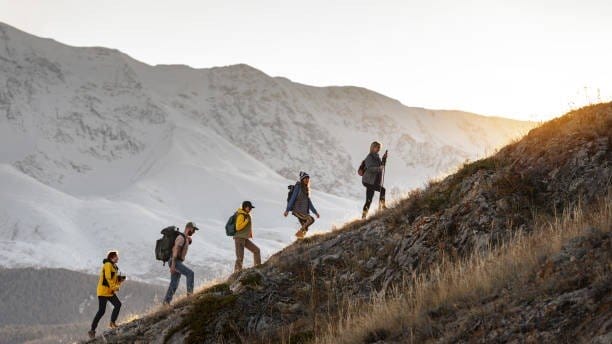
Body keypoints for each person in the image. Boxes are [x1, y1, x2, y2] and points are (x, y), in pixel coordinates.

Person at [88, 250, 124, 339]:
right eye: (116, 256)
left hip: (109, 292)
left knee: (118, 305)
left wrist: (119, 280)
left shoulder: (114, 266)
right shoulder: (108, 265)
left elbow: (113, 280)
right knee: (101, 311)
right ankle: (92, 330)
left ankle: (112, 323)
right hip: (103, 292)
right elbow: (108, 279)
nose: (118, 258)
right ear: (112, 257)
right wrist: (115, 287)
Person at [163, 222, 198, 305]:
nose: (194, 232)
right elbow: (175, 250)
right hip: (174, 261)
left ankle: (165, 304)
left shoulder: (185, 238)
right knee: (190, 273)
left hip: (176, 262)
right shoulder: (181, 238)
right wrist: (173, 266)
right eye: (193, 230)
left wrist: (188, 240)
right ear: (189, 228)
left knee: (174, 284)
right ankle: (190, 297)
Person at [284, 171, 320, 238]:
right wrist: (287, 210)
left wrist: (315, 212)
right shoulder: (298, 187)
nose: (307, 180)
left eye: (308, 179)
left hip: (303, 211)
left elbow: (309, 203)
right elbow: (292, 198)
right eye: (305, 179)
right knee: (311, 219)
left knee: (305, 228)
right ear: (302, 179)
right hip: (298, 210)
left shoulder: (306, 189)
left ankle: (299, 240)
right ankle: (299, 235)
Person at [362, 141, 388, 219]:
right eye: (377, 147)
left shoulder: (376, 157)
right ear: (373, 147)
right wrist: (378, 169)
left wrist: (384, 159)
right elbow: (369, 168)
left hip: (372, 181)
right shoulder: (369, 157)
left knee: (369, 200)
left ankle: (363, 217)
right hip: (369, 181)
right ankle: (382, 208)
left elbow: (381, 166)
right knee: (382, 190)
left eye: (379, 148)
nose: (378, 149)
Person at [233, 201, 261, 272]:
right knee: (240, 258)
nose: (251, 209)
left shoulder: (245, 215)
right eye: (250, 208)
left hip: (244, 238)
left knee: (256, 250)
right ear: (246, 207)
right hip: (239, 239)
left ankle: (258, 267)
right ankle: (236, 274)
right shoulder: (241, 215)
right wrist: (246, 221)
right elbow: (238, 227)